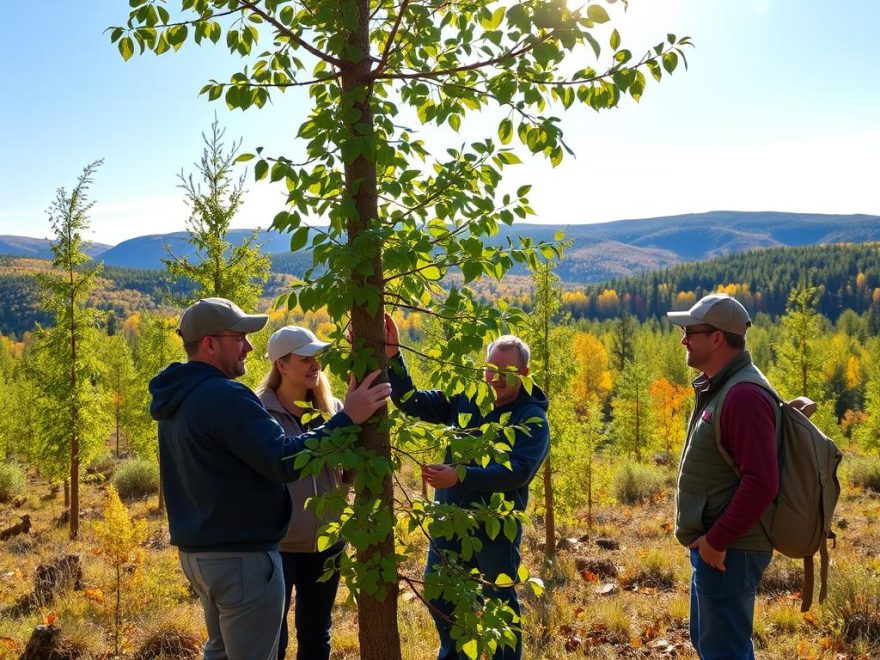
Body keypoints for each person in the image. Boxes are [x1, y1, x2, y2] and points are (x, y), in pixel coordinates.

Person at [149, 298, 391, 660]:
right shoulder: (226, 396)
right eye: (239, 338)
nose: (248, 347)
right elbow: (283, 460)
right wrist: (347, 419)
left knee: (221, 652)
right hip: (241, 560)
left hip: (200, 555)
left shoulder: (177, 398)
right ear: (210, 344)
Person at [383, 314, 549, 660]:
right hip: (448, 522)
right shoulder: (468, 400)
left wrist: (461, 476)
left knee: (499, 601)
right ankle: (456, 653)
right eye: (491, 368)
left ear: (524, 374)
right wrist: (393, 356)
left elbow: (517, 472)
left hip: (494, 529)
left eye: (506, 371)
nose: (495, 377)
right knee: (441, 591)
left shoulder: (531, 418)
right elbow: (410, 400)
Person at [667, 293, 779, 660]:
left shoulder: (743, 395)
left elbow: (762, 481)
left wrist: (716, 540)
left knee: (724, 652)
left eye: (690, 331)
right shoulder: (724, 386)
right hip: (720, 550)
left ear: (717, 338)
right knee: (711, 645)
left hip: (730, 551)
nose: (684, 339)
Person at [256, 325, 346, 660]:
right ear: (281, 364)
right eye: (304, 358)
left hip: (328, 544)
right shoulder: (259, 413)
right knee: (273, 640)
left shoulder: (334, 409)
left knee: (316, 635)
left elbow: (349, 468)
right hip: (278, 547)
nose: (314, 364)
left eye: (316, 357)